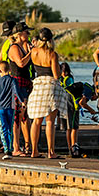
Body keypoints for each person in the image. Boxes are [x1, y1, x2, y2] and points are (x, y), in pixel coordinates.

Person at [26, 28, 68, 159]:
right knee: (50, 121)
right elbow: (56, 75)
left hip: (38, 85)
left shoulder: (33, 52)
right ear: (51, 40)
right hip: (50, 86)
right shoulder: (52, 54)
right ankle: (51, 152)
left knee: (36, 121)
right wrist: (60, 69)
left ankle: (34, 151)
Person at [7, 22, 34, 154]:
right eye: (26, 32)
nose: (28, 34)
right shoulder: (14, 48)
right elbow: (21, 63)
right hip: (17, 82)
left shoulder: (24, 47)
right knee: (17, 115)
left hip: (25, 82)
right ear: (19, 34)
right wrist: (31, 52)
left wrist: (31, 50)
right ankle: (16, 147)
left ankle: (28, 145)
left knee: (25, 115)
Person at [0, 60, 27, 159]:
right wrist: (22, 101)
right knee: (10, 128)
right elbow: (17, 91)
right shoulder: (13, 80)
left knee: (3, 128)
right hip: (11, 108)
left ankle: (6, 149)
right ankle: (10, 149)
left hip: (1, 108)